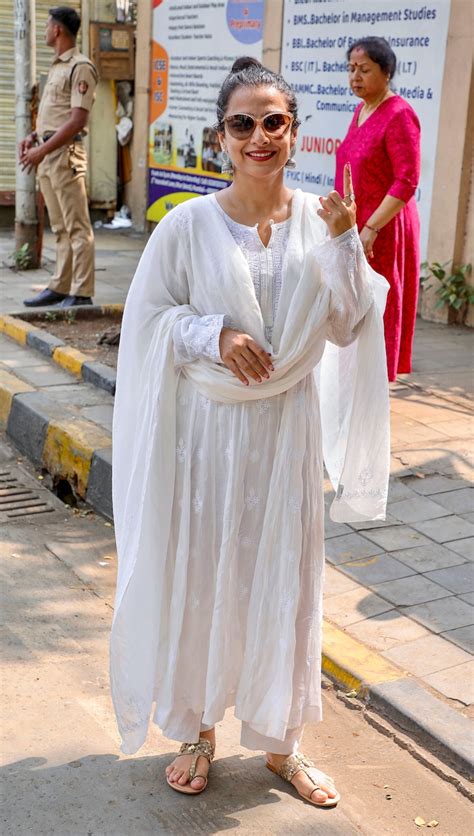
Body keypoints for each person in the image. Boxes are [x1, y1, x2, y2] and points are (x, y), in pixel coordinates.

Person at [111, 57, 390, 809]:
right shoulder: (188, 226)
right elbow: (148, 321)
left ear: (294, 133)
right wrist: (214, 334)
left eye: (274, 121)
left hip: (286, 432)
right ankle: (197, 730)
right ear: (221, 137)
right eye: (243, 123)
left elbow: (348, 327)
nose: (259, 136)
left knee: (285, 579)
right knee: (204, 574)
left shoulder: (319, 220)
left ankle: (282, 743)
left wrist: (344, 246)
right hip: (209, 438)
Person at [335, 36, 421, 381]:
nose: (355, 76)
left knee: (380, 303)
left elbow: (406, 180)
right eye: (351, 69)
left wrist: (371, 227)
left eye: (364, 69)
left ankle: (374, 381)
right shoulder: (361, 109)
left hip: (384, 227)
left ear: (386, 72)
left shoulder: (399, 114)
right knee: (355, 304)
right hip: (358, 225)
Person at [19, 6, 98, 308]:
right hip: (49, 153)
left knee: (77, 226)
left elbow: (77, 119)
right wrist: (34, 138)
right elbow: (55, 115)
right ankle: (61, 286)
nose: (45, 30)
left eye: (48, 25)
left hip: (64, 155)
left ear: (58, 30)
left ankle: (82, 292)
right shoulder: (57, 67)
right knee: (61, 227)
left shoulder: (81, 67)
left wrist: (43, 148)